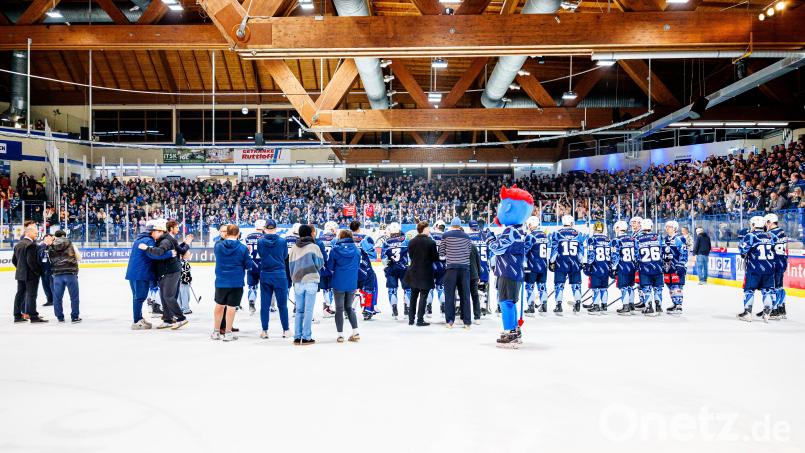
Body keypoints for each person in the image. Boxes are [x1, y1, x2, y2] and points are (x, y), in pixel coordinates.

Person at [488, 186, 533, 347]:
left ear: (507, 208)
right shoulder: (521, 231)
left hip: (507, 271)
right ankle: (514, 329)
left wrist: (489, 238)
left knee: (505, 301)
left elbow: (497, 248)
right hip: (515, 271)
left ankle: (509, 332)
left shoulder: (511, 231)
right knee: (510, 302)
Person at [140, 220, 192, 329]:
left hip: (171, 271)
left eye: (155, 231)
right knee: (164, 297)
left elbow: (161, 251)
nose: (153, 234)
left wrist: (147, 248)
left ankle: (181, 318)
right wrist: (186, 243)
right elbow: (178, 250)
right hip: (167, 271)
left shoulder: (166, 241)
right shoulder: (167, 239)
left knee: (168, 296)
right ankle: (168, 319)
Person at [125, 221, 173, 330]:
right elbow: (154, 255)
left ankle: (138, 318)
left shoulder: (140, 239)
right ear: (153, 232)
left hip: (134, 274)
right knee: (140, 297)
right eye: (160, 231)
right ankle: (137, 321)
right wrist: (170, 253)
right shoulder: (148, 240)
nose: (161, 234)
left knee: (137, 297)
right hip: (141, 274)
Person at [212, 224, 256, 341]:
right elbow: (248, 265)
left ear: (226, 233)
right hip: (236, 282)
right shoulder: (242, 248)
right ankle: (228, 333)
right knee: (231, 307)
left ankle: (216, 331)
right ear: (238, 234)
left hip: (221, 281)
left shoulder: (218, 246)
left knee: (219, 305)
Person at [289, 224, 325, 345]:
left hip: (298, 281)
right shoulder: (314, 247)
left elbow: (291, 264)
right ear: (310, 233)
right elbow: (320, 263)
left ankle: (297, 336)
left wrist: (294, 278)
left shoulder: (294, 247)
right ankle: (306, 337)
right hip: (311, 280)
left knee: (299, 310)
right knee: (308, 310)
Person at [326, 229, 362, 342]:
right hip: (352, 283)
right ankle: (355, 332)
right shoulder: (357, 250)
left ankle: (340, 335)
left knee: (339, 309)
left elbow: (330, 267)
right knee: (349, 308)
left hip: (338, 282)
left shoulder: (335, 250)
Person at [257, 219, 290, 339]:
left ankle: (264, 330)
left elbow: (260, 255)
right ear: (275, 229)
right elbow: (285, 255)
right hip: (280, 275)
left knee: (265, 305)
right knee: (282, 305)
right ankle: (286, 330)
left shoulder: (260, 241)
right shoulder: (282, 241)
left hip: (266, 274)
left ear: (265, 229)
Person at [738, 216, 776, 322]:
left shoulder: (750, 235)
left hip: (754, 268)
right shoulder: (771, 236)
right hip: (769, 268)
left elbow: (743, 251)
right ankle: (767, 313)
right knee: (767, 290)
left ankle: (747, 313)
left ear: (754, 225)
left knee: (749, 290)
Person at [404, 221, 439, 326]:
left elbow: (411, 256)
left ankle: (411, 320)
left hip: (413, 272)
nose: (429, 230)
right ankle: (420, 320)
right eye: (428, 228)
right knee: (423, 296)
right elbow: (435, 258)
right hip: (425, 273)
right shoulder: (431, 242)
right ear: (424, 229)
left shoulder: (411, 242)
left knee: (414, 296)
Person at [438, 217, 472, 328]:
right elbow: (469, 251)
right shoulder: (467, 236)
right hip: (465, 268)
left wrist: (449, 256)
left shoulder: (446, 235)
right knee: (465, 296)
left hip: (451, 268)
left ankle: (450, 321)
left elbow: (441, 253)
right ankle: (467, 322)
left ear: (451, 225)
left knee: (450, 296)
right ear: (460, 225)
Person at [13, 223, 50, 323]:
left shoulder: (18, 244)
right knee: (31, 295)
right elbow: (31, 261)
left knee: (20, 294)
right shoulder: (32, 244)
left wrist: (20, 268)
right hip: (30, 275)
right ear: (28, 233)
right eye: (35, 233)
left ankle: (17, 316)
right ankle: (33, 316)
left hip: (20, 274)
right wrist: (37, 272)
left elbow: (14, 260)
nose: (36, 235)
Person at [549, 215, 584, 315]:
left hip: (561, 262)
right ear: (572, 222)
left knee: (559, 285)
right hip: (575, 262)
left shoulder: (557, 233)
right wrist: (580, 262)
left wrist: (551, 262)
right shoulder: (578, 234)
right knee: (576, 285)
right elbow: (581, 252)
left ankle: (558, 306)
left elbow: (554, 250)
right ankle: (577, 304)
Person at [47, 230, 82, 323]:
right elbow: (79, 258)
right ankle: (74, 317)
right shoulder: (71, 245)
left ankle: (60, 317)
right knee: (74, 297)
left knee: (57, 297)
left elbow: (49, 260)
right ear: (64, 235)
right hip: (70, 273)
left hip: (57, 274)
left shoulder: (51, 246)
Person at [635, 219, 664, 316]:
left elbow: (636, 253)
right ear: (651, 226)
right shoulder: (658, 237)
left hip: (645, 267)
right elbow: (662, 251)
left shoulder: (638, 238)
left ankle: (649, 307)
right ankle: (659, 306)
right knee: (658, 288)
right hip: (657, 267)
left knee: (646, 288)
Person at [382, 222, 410, 320]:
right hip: (404, 268)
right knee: (407, 289)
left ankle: (394, 309)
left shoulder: (386, 242)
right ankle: (407, 309)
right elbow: (410, 255)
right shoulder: (405, 240)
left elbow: (384, 259)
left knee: (392, 290)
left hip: (391, 268)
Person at [583, 221, 612, 315]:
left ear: (594, 228)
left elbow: (591, 254)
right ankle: (604, 306)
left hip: (596, 267)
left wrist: (588, 266)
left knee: (595, 288)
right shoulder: (608, 239)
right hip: (606, 267)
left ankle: (596, 305)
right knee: (604, 288)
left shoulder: (592, 239)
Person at [523, 216, 549, 315]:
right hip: (543, 265)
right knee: (542, 286)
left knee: (529, 286)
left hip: (532, 265)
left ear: (530, 224)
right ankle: (544, 305)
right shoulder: (544, 235)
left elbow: (525, 251)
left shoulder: (531, 236)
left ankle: (531, 307)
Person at [611, 221, 637, 315]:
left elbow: (615, 256)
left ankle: (626, 307)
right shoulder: (633, 239)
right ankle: (631, 306)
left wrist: (613, 268)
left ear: (618, 228)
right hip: (632, 266)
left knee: (624, 287)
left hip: (622, 267)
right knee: (630, 287)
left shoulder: (616, 240)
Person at [765, 213, 788, 320]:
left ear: (770, 222)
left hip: (774, 262)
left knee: (773, 286)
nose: (765, 224)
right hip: (782, 261)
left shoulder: (770, 234)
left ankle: (774, 310)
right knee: (780, 286)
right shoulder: (782, 231)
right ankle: (781, 308)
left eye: (766, 222)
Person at [662, 220, 688, 314]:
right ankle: (675, 303)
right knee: (670, 286)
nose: (667, 228)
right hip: (667, 267)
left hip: (677, 267)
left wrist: (681, 265)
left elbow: (684, 253)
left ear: (675, 228)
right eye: (666, 227)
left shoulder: (679, 239)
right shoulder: (665, 239)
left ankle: (679, 306)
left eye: (669, 227)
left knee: (677, 286)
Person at [467, 219, 490, 317]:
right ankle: (482, 305)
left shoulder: (467, 238)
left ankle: (461, 307)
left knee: (465, 289)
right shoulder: (485, 237)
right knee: (482, 288)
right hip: (484, 269)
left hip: (471, 269)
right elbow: (490, 253)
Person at [244, 219, 266, 316]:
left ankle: (252, 303)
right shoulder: (266, 237)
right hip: (263, 266)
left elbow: (245, 250)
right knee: (266, 287)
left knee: (252, 287)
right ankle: (269, 306)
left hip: (252, 265)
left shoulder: (248, 237)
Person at [318, 221, 339, 317]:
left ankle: (326, 307)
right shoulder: (335, 239)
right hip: (332, 268)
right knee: (330, 288)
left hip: (321, 268)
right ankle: (328, 308)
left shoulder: (319, 239)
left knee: (325, 289)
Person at [426, 219, 446, 316]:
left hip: (430, 265)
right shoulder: (446, 236)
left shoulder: (430, 235)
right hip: (442, 265)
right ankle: (443, 308)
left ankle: (428, 308)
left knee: (429, 288)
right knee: (441, 288)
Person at [38, 234, 54, 307]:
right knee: (46, 286)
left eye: (50, 238)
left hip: (52, 270)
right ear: (44, 239)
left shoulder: (54, 246)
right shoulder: (39, 247)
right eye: (47, 238)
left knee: (53, 286)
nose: (48, 239)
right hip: (43, 270)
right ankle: (49, 300)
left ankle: (55, 300)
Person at [178, 250, 193, 315]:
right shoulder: (184, 263)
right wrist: (189, 280)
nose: (190, 255)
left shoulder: (180, 262)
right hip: (184, 282)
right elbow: (185, 273)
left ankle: (180, 308)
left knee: (180, 295)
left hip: (179, 282)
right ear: (184, 256)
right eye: (188, 254)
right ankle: (186, 309)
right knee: (185, 295)